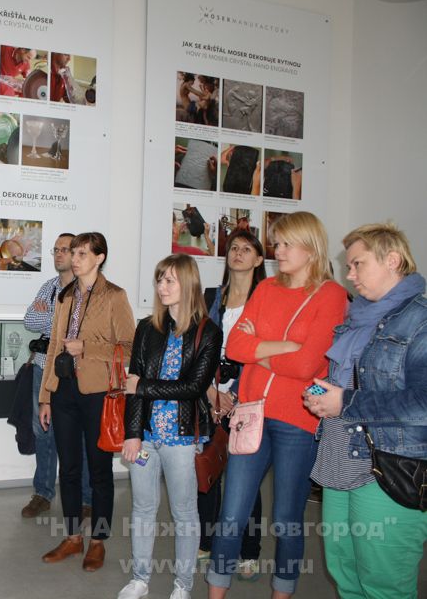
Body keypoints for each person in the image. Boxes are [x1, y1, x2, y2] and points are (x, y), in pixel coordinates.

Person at [206, 211, 348, 598]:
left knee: (286, 519)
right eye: (277, 243)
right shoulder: (266, 288)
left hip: (298, 420)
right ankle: (215, 592)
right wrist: (285, 347)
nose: (277, 251)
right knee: (231, 514)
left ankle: (282, 592)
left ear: (311, 248)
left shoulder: (331, 295)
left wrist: (261, 352)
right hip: (251, 412)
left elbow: (308, 365)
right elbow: (236, 347)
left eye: (286, 244)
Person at [305, 223, 427, 599]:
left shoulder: (420, 320)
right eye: (348, 266)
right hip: (340, 458)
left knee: (384, 584)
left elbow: (423, 404)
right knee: (345, 572)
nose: (350, 275)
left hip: (389, 467)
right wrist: (323, 396)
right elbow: (353, 379)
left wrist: (344, 401)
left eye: (358, 264)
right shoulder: (359, 317)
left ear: (392, 260)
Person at [118, 254, 221, 599]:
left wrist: (143, 386)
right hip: (145, 438)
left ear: (188, 284)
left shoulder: (208, 332)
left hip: (181, 438)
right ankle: (140, 579)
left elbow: (193, 388)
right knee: (142, 509)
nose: (161, 287)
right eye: (159, 280)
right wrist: (132, 434)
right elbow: (132, 386)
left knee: (184, 513)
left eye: (169, 281)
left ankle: (183, 586)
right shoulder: (147, 328)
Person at [38, 232, 136, 572]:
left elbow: (129, 347)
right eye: (73, 253)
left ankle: (98, 541)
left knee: (99, 470)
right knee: (68, 468)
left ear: (99, 257)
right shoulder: (65, 296)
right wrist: (45, 396)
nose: (74, 258)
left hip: (98, 393)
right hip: (63, 390)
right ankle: (72, 537)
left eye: (82, 253)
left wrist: (87, 348)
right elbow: (54, 346)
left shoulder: (114, 296)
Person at [198, 230, 267, 581]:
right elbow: (199, 348)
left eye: (246, 249)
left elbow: (262, 355)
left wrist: (235, 396)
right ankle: (206, 542)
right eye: (234, 248)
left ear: (258, 259)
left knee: (245, 479)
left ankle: (249, 550)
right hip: (211, 396)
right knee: (207, 470)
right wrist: (211, 392)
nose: (238, 253)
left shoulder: (266, 300)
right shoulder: (213, 297)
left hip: (248, 398)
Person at [21, 232, 92, 520]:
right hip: (44, 366)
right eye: (56, 250)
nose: (59, 254)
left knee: (82, 434)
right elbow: (29, 320)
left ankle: (86, 498)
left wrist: (50, 316)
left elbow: (81, 328)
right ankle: (43, 493)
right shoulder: (48, 287)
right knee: (43, 431)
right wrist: (57, 318)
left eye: (65, 249)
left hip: (78, 370)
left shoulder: (87, 288)